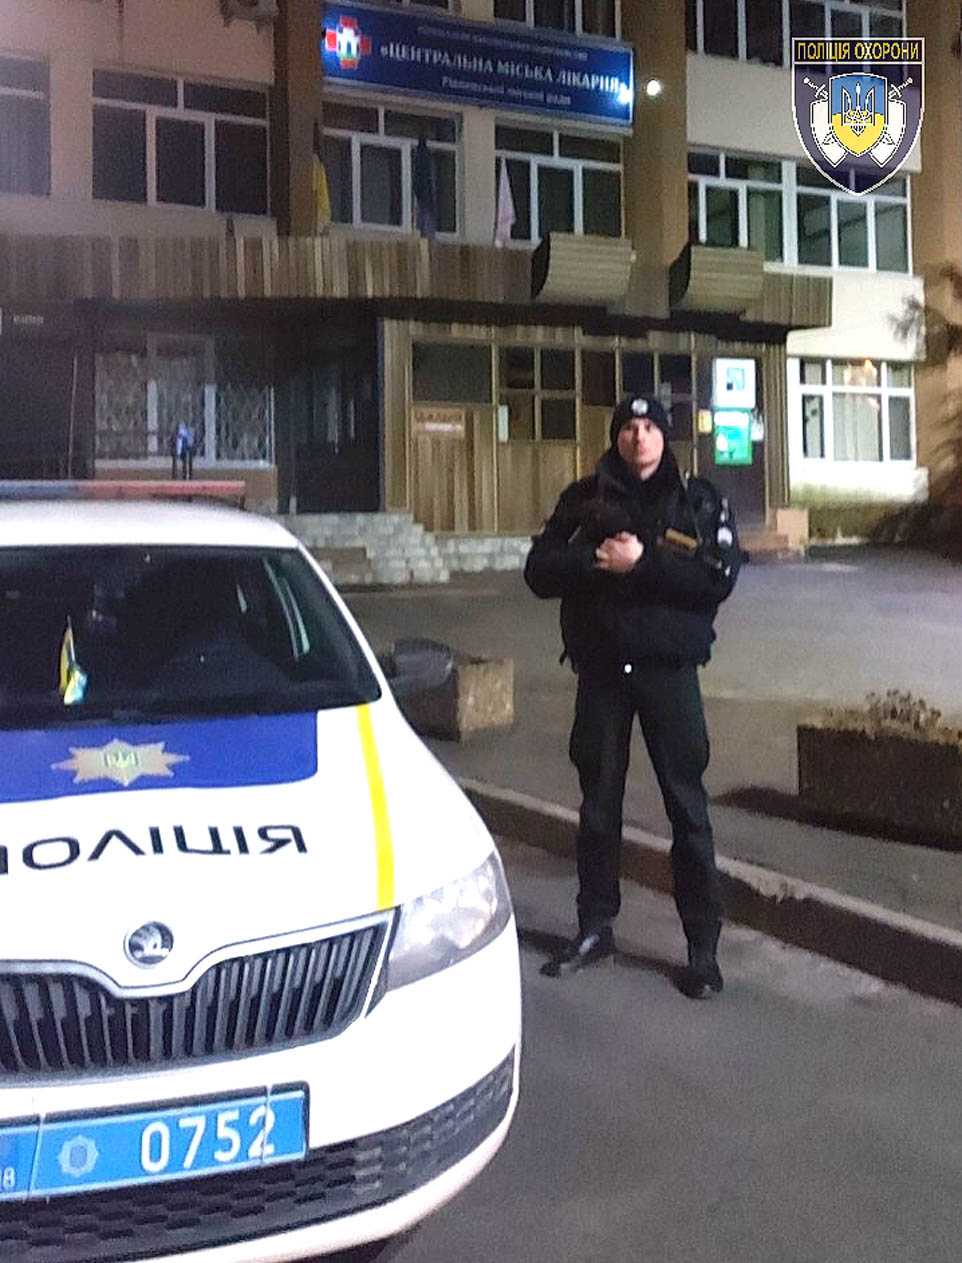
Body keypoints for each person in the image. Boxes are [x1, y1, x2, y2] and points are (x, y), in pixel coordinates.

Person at [524, 395, 741, 999]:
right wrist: (597, 561)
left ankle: (702, 949)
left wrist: (642, 565)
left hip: (668, 675)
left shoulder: (697, 502)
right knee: (598, 808)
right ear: (616, 437)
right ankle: (595, 927)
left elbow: (716, 579)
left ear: (664, 438)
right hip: (602, 675)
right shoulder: (583, 500)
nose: (638, 437)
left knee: (687, 809)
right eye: (628, 428)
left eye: (649, 428)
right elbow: (539, 570)